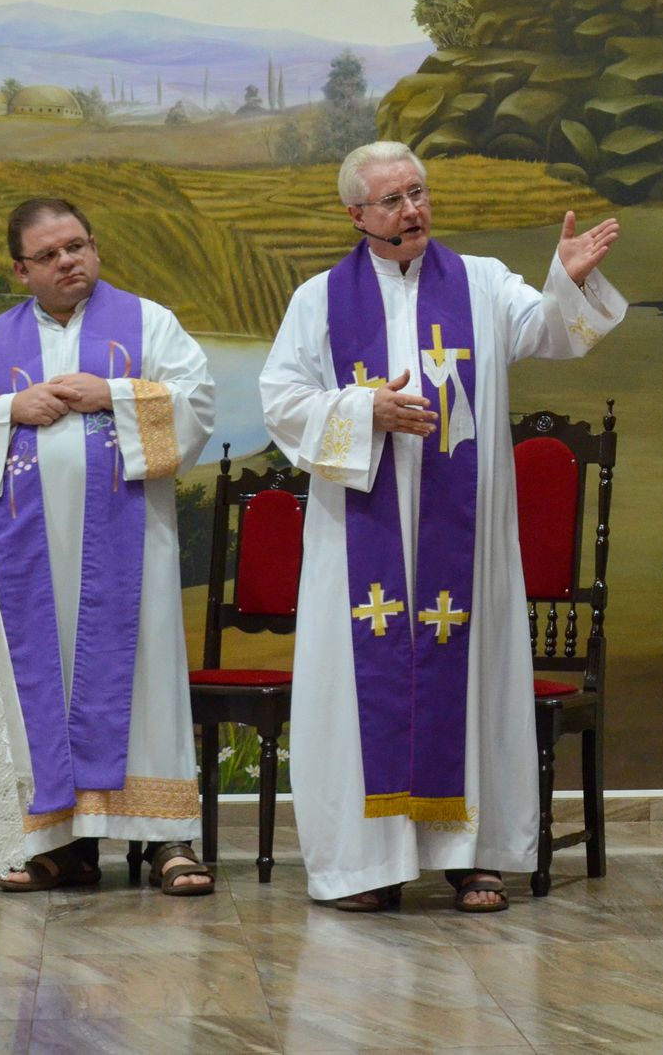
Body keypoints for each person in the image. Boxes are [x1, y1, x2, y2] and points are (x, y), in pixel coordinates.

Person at [259, 140, 625, 913]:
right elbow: (282, 402)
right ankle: (367, 863)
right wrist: (364, 409)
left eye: (418, 192)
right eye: (392, 199)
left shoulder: (481, 282)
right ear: (355, 214)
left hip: (465, 533)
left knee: (474, 678)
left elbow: (552, 333)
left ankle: (474, 855)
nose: (412, 209)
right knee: (363, 687)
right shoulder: (319, 300)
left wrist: (567, 279)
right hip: (361, 533)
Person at [0, 197, 217, 896]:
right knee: (42, 681)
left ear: (94, 247)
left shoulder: (149, 323)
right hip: (29, 557)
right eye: (49, 254)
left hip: (133, 549)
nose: (68, 261)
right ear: (20, 270)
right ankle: (59, 844)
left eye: (77, 246)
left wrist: (112, 394)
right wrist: (10, 409)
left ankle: (167, 838)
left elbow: (197, 404)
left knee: (143, 678)